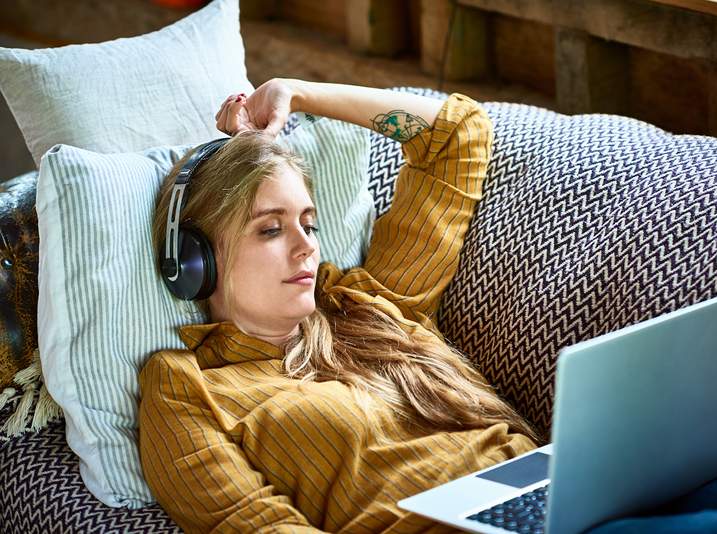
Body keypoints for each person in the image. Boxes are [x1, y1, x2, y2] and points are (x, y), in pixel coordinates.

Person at [138, 78, 540, 533]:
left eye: (309, 225)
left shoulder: (369, 302)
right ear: (194, 260)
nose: (305, 247)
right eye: (271, 229)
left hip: (556, 495)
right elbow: (253, 524)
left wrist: (296, 92)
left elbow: (456, 135)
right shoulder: (186, 387)